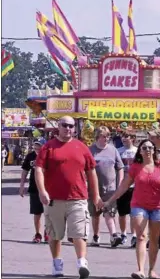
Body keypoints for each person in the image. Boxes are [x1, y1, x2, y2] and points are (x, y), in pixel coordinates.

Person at [35, 116, 101, 278]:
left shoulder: (82, 147)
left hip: (78, 199)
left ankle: (82, 262)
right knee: (55, 234)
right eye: (64, 125)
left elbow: (91, 172)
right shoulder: (48, 147)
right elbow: (38, 170)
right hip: (54, 200)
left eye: (71, 126)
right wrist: (42, 190)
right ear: (58, 126)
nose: (68, 128)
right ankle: (57, 263)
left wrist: (96, 195)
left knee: (79, 233)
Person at [102, 139, 160, 279]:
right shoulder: (135, 167)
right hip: (139, 205)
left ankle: (151, 270)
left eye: (150, 148)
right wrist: (110, 200)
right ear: (140, 151)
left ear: (154, 150)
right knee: (141, 237)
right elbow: (124, 186)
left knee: (154, 238)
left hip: (158, 206)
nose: (147, 150)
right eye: (144, 148)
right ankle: (140, 270)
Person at [89, 126, 124, 248]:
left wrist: (120, 183)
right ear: (98, 137)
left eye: (108, 136)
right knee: (95, 214)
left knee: (109, 212)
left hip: (110, 188)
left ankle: (113, 236)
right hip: (94, 188)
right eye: (104, 136)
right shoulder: (90, 150)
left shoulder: (113, 150)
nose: (107, 138)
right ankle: (96, 236)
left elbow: (120, 168)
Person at [19, 138, 48, 243]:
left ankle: (47, 232)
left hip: (48, 188)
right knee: (37, 213)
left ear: (43, 146)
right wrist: (22, 185)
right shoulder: (30, 156)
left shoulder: (48, 155)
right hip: (34, 188)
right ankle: (38, 234)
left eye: (39, 145)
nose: (37, 147)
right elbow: (25, 170)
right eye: (35, 145)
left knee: (48, 213)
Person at [117, 132, 137, 247]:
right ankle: (123, 234)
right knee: (122, 213)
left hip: (135, 186)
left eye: (126, 137)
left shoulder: (137, 151)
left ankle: (134, 235)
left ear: (133, 138)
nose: (124, 139)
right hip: (122, 185)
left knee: (133, 213)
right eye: (122, 136)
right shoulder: (118, 151)